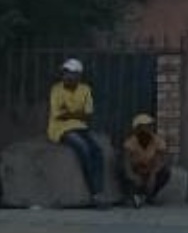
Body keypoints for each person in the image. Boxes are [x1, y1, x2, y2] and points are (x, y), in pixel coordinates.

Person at [47, 58, 107, 207]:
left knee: (97, 151)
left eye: (71, 74)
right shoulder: (56, 89)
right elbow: (59, 114)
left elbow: (88, 114)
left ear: (78, 76)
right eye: (65, 73)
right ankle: (95, 193)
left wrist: (71, 113)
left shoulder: (85, 89)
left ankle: (100, 191)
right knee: (83, 149)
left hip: (81, 127)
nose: (66, 77)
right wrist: (77, 113)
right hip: (61, 128)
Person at [120, 114, 171, 209]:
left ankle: (151, 196)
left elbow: (161, 160)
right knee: (123, 174)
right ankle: (134, 196)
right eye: (146, 126)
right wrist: (132, 176)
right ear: (138, 129)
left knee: (165, 172)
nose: (149, 128)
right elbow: (125, 162)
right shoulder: (131, 142)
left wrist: (153, 174)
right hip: (137, 170)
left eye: (150, 126)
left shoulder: (157, 141)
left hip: (150, 170)